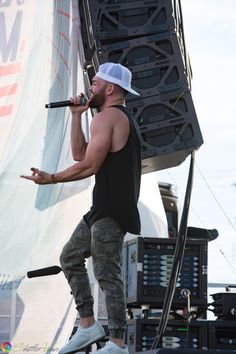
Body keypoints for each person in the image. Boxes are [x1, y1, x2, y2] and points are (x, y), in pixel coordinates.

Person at [21, 62, 141, 354]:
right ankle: (88, 324)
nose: (91, 88)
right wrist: (77, 116)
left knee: (105, 270)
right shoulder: (105, 117)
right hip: (102, 208)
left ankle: (117, 342)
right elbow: (80, 154)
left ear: (110, 88)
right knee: (70, 256)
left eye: (96, 83)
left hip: (111, 210)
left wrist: (51, 179)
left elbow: (88, 165)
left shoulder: (110, 116)